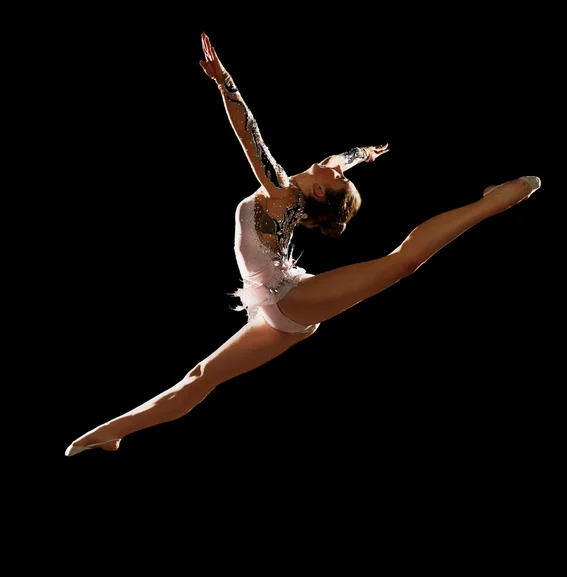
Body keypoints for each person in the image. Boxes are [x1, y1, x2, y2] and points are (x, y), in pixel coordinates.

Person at [65, 32, 541, 457]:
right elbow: (339, 159)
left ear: (319, 193)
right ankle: (110, 432)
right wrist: (363, 155)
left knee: (401, 265)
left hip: (293, 298)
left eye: (337, 176)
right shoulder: (310, 186)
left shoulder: (280, 190)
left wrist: (224, 82)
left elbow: (251, 138)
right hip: (275, 311)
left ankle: (497, 199)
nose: (334, 166)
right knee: (199, 379)